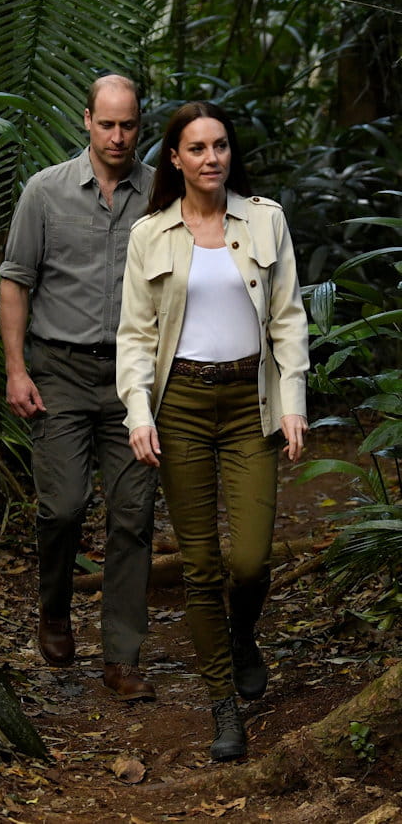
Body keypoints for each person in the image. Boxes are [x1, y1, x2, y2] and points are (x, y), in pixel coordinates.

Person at [116, 101, 309, 758]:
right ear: (174, 159)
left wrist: (293, 402)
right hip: (182, 407)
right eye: (196, 148)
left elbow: (288, 318)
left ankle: (243, 634)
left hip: (252, 400)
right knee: (200, 567)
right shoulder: (151, 234)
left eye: (220, 145)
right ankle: (224, 707)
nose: (211, 158)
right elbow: (135, 335)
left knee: (250, 561)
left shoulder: (265, 220)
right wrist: (139, 412)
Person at [0, 74, 158, 701]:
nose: (117, 137)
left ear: (140, 125)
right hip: (59, 371)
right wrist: (16, 369)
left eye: (128, 125)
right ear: (86, 121)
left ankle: (122, 657)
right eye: (107, 124)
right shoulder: (45, 191)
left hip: (133, 378)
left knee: (133, 515)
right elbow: (16, 280)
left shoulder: (162, 194)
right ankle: (55, 608)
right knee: (62, 507)